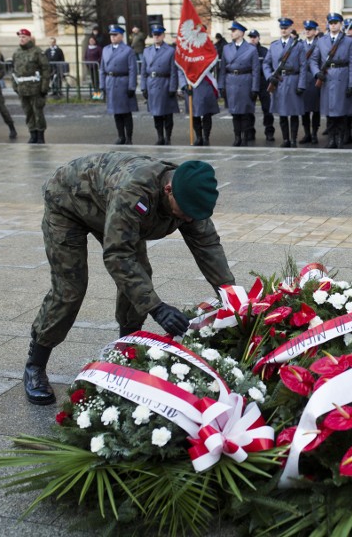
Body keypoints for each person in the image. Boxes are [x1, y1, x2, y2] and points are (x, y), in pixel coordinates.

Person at [24, 154, 236, 405]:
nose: (188, 220)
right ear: (168, 190)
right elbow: (118, 255)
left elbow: (207, 245)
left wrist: (231, 295)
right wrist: (157, 308)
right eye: (185, 213)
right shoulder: (134, 192)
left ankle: (126, 347)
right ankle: (35, 364)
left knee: (139, 275)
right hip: (68, 202)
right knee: (71, 288)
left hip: (109, 206)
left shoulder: (191, 194)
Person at [310, 12, 352, 148]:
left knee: (341, 112)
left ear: (341, 24)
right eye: (331, 23)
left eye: (336, 23)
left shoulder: (348, 41)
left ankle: (340, 139)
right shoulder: (321, 41)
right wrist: (316, 73)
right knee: (330, 113)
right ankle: (331, 139)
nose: (333, 25)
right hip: (327, 77)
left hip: (342, 77)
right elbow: (313, 60)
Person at [263, 17, 307, 147]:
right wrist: (268, 76)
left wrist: (301, 84)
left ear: (290, 29)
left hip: (293, 80)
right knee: (282, 113)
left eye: (286, 28)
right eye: (282, 28)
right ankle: (285, 139)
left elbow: (303, 66)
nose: (283, 30)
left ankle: (293, 139)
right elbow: (266, 63)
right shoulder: (274, 45)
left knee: (293, 113)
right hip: (279, 81)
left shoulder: (298, 45)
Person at [219, 22, 260, 146]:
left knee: (245, 112)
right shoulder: (227, 48)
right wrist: (221, 86)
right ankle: (237, 137)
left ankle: (245, 137)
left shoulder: (251, 49)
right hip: (231, 81)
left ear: (241, 33)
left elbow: (256, 70)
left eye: (234, 31)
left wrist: (255, 88)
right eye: (231, 31)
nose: (232, 33)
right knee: (235, 112)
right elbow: (222, 69)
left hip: (245, 81)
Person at [100, 24, 139, 145]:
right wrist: (102, 85)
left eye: (115, 35)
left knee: (126, 113)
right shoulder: (106, 49)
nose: (112, 37)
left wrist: (132, 86)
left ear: (121, 36)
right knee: (116, 112)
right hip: (111, 82)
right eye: (111, 35)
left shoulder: (127, 50)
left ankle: (128, 137)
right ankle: (120, 136)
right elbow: (102, 69)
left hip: (123, 82)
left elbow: (133, 69)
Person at [141, 25, 179, 145]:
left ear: (163, 35)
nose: (156, 37)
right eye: (154, 35)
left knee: (167, 114)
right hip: (152, 83)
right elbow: (143, 72)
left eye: (158, 34)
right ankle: (160, 136)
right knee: (156, 114)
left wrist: (173, 87)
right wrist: (143, 87)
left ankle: (168, 136)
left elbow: (174, 71)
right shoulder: (147, 51)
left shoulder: (170, 51)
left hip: (165, 83)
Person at [12, 29, 50, 144]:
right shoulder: (17, 53)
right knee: (28, 112)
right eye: (20, 37)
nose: (21, 39)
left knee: (37, 112)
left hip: (35, 88)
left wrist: (44, 87)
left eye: (23, 37)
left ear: (29, 38)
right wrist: (15, 86)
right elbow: (14, 71)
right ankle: (32, 133)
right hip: (22, 88)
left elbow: (46, 69)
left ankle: (40, 135)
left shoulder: (37, 52)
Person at [179, 63, 219, 146]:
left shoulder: (205, 50)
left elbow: (212, 63)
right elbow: (180, 70)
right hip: (190, 85)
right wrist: (184, 85)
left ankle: (206, 137)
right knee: (194, 113)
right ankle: (199, 137)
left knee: (206, 112)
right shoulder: (186, 51)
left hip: (204, 82)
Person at [246, 29, 275, 143]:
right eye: (251, 37)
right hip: (251, 82)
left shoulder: (264, 51)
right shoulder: (246, 51)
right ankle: (249, 132)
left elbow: (269, 65)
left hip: (263, 82)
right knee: (249, 109)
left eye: (255, 37)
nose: (253, 39)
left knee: (267, 108)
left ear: (258, 38)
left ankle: (269, 132)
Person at [300, 20, 322, 145]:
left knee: (316, 109)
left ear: (315, 31)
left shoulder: (319, 44)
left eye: (310, 29)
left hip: (315, 79)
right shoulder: (299, 45)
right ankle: (307, 133)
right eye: (306, 29)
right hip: (303, 80)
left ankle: (314, 133)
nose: (307, 31)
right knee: (305, 110)